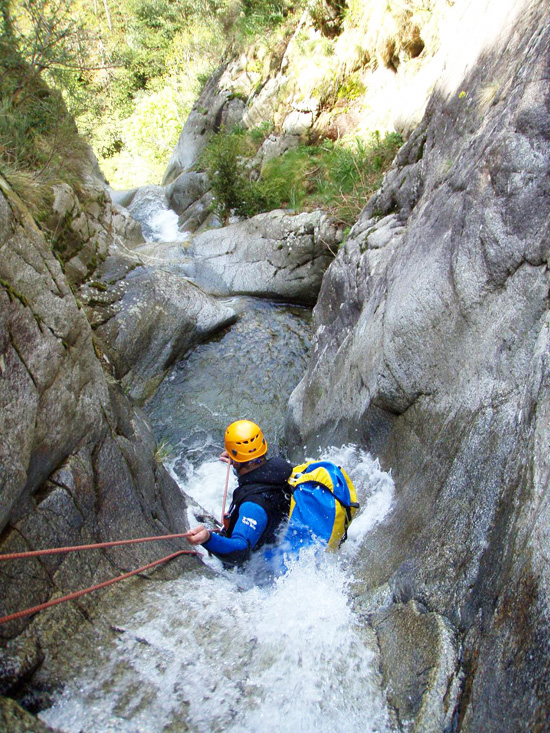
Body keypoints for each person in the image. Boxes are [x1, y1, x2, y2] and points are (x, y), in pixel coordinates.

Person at [186, 420, 293, 567]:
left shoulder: (253, 506)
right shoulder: (279, 473)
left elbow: (240, 552)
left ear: (236, 461)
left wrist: (207, 538)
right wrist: (239, 461)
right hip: (276, 544)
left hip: (257, 570)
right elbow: (254, 474)